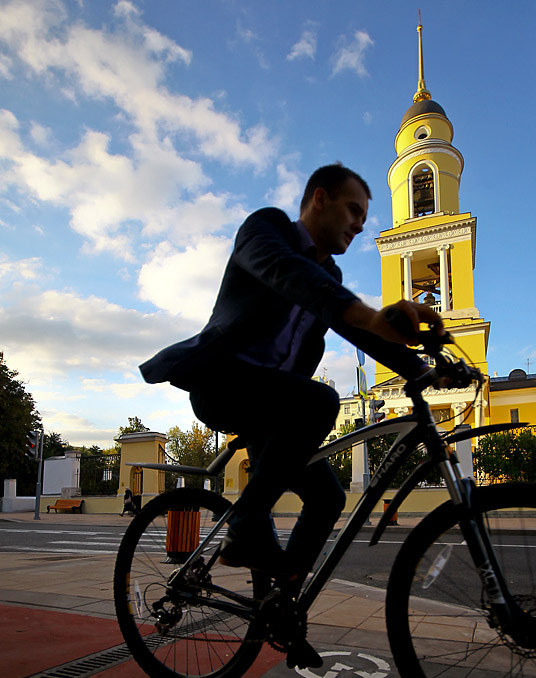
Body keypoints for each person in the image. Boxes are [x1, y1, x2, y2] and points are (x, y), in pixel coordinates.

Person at [140, 163, 443, 583]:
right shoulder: (267, 229)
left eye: (363, 218)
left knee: (327, 497)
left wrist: (424, 370)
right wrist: (372, 316)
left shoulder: (329, 276)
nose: (358, 225)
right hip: (224, 384)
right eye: (353, 210)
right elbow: (287, 273)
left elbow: (356, 326)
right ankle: (244, 523)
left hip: (274, 406)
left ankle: (283, 609)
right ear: (320, 198)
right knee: (320, 399)